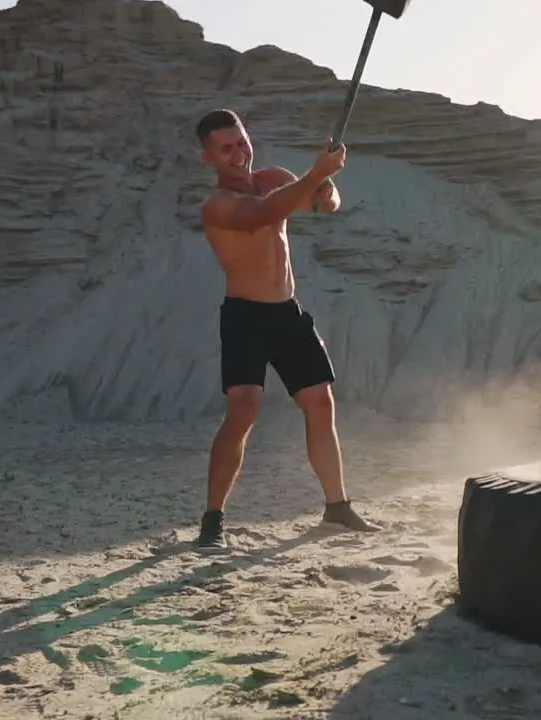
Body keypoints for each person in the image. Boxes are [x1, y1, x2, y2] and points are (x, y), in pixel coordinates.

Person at [193, 108, 381, 550]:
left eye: (241, 142)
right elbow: (261, 214)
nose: (239, 153)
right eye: (226, 148)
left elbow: (322, 204)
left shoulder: (274, 176)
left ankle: (337, 505)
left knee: (320, 402)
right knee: (244, 410)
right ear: (209, 159)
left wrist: (326, 186)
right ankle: (213, 519)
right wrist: (314, 174)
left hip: (286, 312)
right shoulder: (216, 205)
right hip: (244, 316)